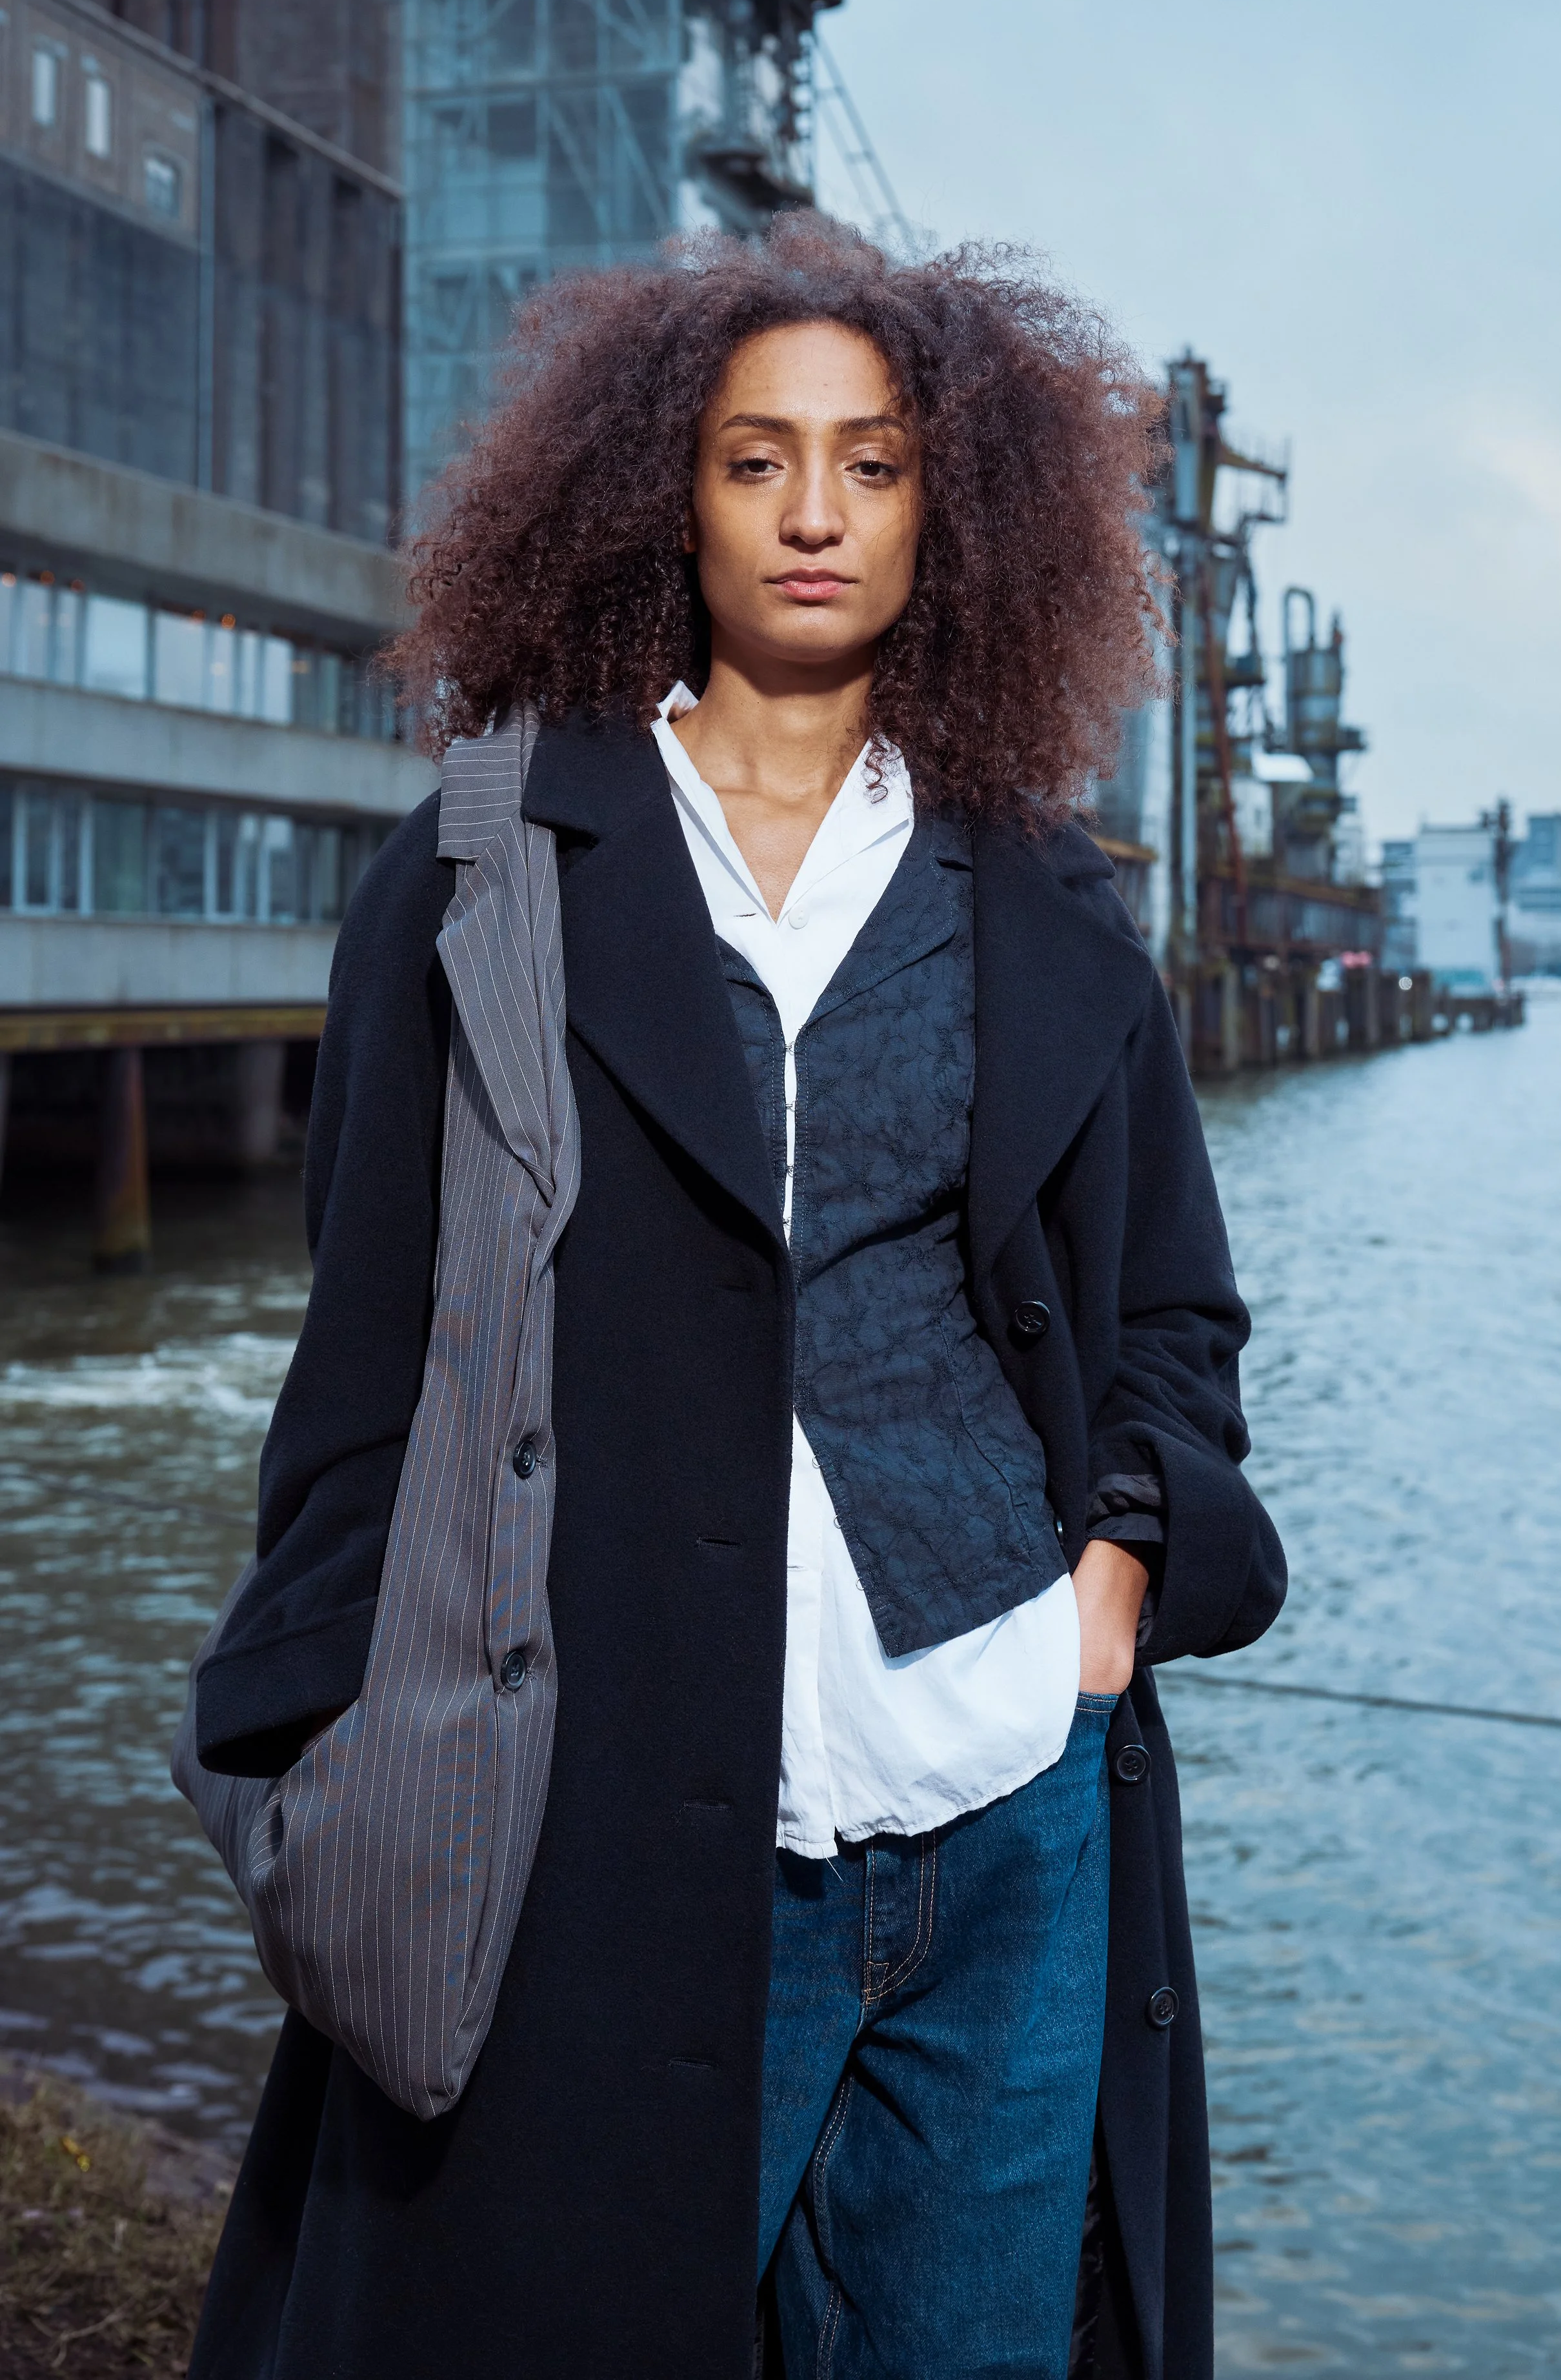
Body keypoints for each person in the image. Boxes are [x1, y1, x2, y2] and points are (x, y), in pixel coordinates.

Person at [183, 218, 1285, 2380]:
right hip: (603, 1834)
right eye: (753, 458)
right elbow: (365, 1362)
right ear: (658, 497)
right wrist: (313, 1759)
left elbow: (1171, 1321)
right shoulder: (485, 870)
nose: (810, 514)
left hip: (999, 1819)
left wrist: (1111, 1588)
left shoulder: (1050, 903)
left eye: (871, 465)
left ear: (944, 513)